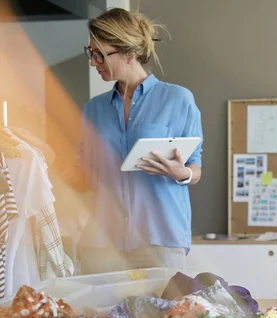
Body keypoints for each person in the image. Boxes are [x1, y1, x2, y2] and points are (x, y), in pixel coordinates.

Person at [63, 8, 203, 273]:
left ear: (129, 53)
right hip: (102, 244)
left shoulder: (178, 99)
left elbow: (195, 167)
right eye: (90, 52)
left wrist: (182, 173)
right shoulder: (93, 109)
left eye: (100, 54)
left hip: (159, 240)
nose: (93, 62)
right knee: (100, 315)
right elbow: (81, 174)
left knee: (162, 314)